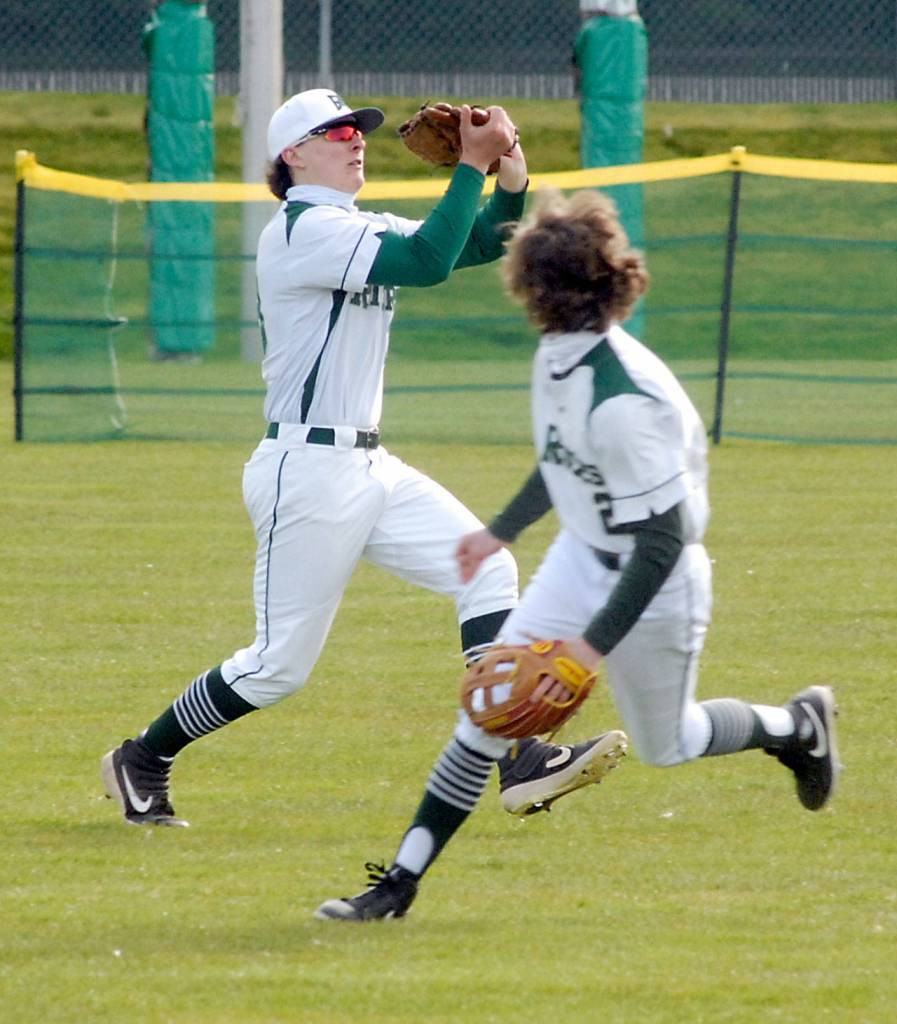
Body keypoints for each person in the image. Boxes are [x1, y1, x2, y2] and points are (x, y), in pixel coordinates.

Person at [101, 90, 627, 913]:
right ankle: (142, 756)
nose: (358, 142)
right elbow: (424, 261)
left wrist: (509, 167)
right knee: (277, 668)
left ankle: (517, 760)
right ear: (291, 158)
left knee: (485, 570)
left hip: (368, 467)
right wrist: (467, 165)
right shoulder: (303, 232)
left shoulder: (354, 223)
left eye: (360, 132)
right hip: (303, 470)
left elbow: (476, 243)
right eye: (338, 132)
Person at [454, 188, 840, 833]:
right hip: (586, 553)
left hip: (660, 569)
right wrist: (500, 532)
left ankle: (795, 724)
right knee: (484, 729)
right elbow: (562, 456)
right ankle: (406, 874)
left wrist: (587, 649)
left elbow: (659, 540)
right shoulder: (558, 357)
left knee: (671, 742)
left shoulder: (626, 398)